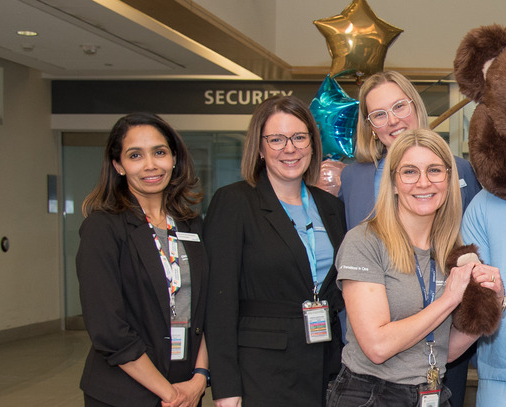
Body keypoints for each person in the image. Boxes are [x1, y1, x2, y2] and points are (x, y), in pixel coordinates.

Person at [334, 70, 484, 407]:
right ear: (394, 182)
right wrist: (449, 298)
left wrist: (490, 303)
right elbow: (376, 345)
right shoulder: (360, 217)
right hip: (372, 382)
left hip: (431, 380)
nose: (423, 184)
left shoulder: (447, 244)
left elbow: (447, 344)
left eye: (434, 171)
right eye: (379, 114)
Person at [204, 96, 347, 406]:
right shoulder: (234, 202)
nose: (290, 148)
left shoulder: (331, 207)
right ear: (259, 148)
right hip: (261, 371)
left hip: (325, 364)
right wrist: (226, 388)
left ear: (312, 143)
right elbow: (219, 302)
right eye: (277, 139)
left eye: (299, 137)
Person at [77, 112, 210, 407]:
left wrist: (199, 379)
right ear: (118, 165)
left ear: (174, 159)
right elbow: (108, 329)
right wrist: (169, 393)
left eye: (159, 152)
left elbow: (206, 310)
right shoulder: (103, 228)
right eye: (135, 155)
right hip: (125, 393)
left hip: (187, 387)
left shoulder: (191, 225)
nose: (150, 165)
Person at [338, 70, 482, 226]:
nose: (393, 120)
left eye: (399, 106)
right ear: (370, 126)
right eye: (379, 114)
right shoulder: (352, 177)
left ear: (416, 107)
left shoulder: (461, 170)